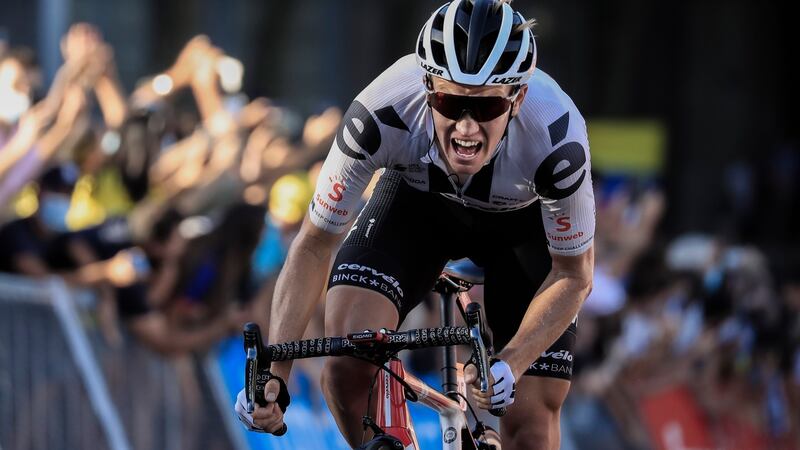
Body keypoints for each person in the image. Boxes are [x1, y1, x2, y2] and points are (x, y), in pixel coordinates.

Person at [236, 1, 595, 449]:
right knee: (347, 363)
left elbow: (574, 274)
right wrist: (277, 373)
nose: (466, 128)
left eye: (485, 109)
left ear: (518, 98)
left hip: (523, 227)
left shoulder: (557, 138)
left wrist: (510, 364)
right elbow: (314, 244)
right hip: (420, 205)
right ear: (427, 88)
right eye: (450, 102)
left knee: (530, 419)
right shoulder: (381, 111)